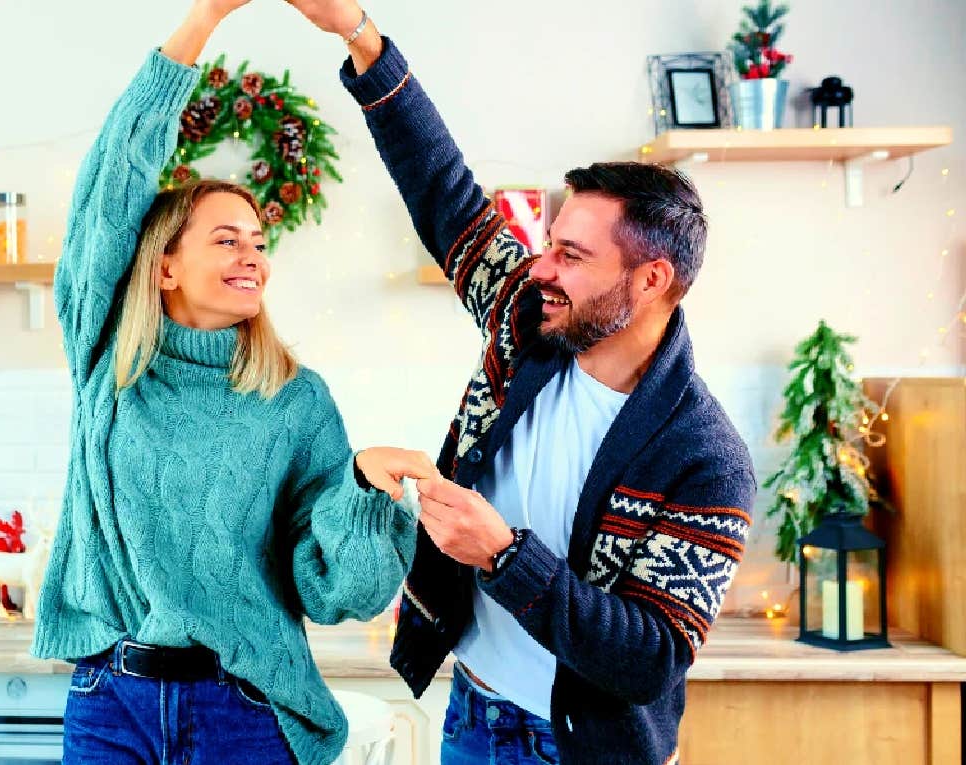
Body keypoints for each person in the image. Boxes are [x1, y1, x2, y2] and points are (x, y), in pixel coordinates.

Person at [282, 3, 757, 763]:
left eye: (571, 255)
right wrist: (359, 34)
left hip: (583, 748)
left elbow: (649, 658)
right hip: (473, 710)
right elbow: (446, 194)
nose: (540, 267)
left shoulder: (707, 459)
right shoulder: (529, 318)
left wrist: (502, 554)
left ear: (652, 279)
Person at [28, 3, 431, 764]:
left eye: (258, 240)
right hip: (109, 702)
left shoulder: (295, 399)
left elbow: (334, 592)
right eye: (225, 238)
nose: (253, 255)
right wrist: (207, 15)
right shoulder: (108, 363)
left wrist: (361, 490)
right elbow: (112, 183)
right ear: (165, 265)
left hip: (242, 711)